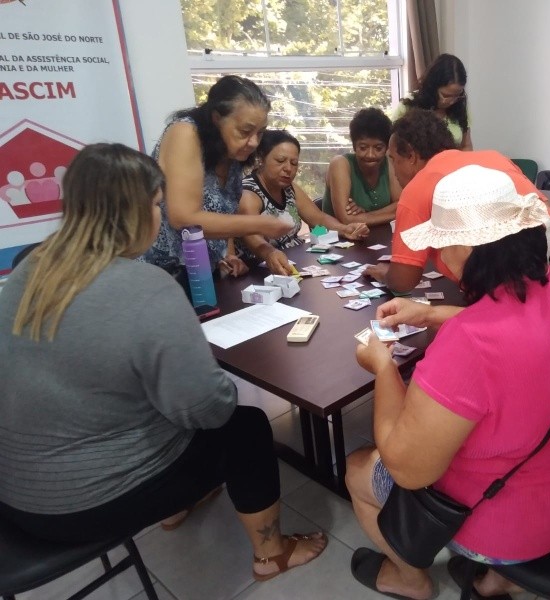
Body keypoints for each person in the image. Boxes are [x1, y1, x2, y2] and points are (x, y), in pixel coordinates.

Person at [0, 144, 327, 581]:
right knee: (246, 427)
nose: (160, 218)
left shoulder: (30, 268)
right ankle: (271, 554)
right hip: (86, 504)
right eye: (156, 205)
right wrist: (219, 382)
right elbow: (207, 408)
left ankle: (181, 502)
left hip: (14, 497)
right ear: (134, 213)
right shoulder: (145, 286)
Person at [346, 165, 550, 600]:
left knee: (361, 469)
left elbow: (407, 469)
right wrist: (431, 312)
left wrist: (383, 368)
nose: (437, 255)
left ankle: (410, 579)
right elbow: (519, 325)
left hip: (513, 527)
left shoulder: (468, 343)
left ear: (463, 248)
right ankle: (496, 582)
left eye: (441, 244)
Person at [365, 107, 550, 292]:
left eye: (393, 159)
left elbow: (404, 281)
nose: (393, 169)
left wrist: (383, 273)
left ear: (412, 157)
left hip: (546, 286)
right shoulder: (494, 157)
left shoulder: (417, 188)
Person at [142, 75, 293, 277]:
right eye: (245, 131)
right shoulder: (185, 133)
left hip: (202, 273)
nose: (254, 142)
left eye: (260, 133)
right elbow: (183, 218)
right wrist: (263, 224)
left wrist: (251, 251)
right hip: (160, 275)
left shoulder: (232, 152)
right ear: (216, 118)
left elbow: (223, 213)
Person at [238, 129, 369, 275]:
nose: (288, 168)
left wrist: (345, 229)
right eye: (280, 161)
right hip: (262, 271)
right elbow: (250, 235)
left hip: (297, 262)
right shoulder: (249, 193)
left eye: (294, 163)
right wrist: (269, 253)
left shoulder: (289, 187)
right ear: (261, 159)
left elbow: (318, 219)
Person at [322, 107, 402, 226]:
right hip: (333, 240)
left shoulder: (389, 161)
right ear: (354, 147)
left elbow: (401, 204)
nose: (370, 155)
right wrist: (393, 214)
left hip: (375, 236)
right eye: (363, 148)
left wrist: (363, 216)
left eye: (378, 148)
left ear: (387, 148)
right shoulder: (340, 164)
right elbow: (346, 220)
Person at [393, 53, 473, 151]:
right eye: (446, 95)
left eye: (457, 95)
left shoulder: (459, 106)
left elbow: (466, 145)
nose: (452, 101)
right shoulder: (408, 106)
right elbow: (393, 148)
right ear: (433, 87)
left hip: (453, 164)